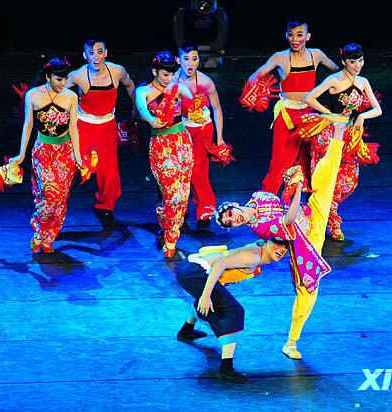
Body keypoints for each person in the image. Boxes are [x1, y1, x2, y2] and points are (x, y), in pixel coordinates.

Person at [216, 120, 347, 359]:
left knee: (324, 183)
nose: (235, 219)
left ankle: (339, 132)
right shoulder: (260, 228)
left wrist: (292, 181)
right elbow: (287, 220)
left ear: (234, 205)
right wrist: (298, 188)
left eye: (231, 214)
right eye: (231, 223)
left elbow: (283, 203)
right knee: (308, 292)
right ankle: (291, 343)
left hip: (311, 215)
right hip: (304, 243)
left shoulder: (259, 196)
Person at [175, 238, 290, 384]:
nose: (281, 249)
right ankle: (226, 369)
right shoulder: (254, 256)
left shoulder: (258, 248)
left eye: (285, 247)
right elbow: (220, 264)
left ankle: (186, 331)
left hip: (189, 270)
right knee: (235, 312)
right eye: (278, 243)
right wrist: (205, 294)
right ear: (267, 242)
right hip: (194, 273)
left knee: (213, 301)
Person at [247, 19, 339, 194]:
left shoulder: (316, 55)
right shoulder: (280, 57)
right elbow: (255, 77)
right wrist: (257, 91)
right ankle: (267, 199)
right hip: (287, 114)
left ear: (308, 36)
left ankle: (310, 199)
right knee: (280, 161)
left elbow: (337, 73)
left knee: (310, 158)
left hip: (309, 113)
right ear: (286, 35)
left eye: (299, 35)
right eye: (291, 35)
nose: (294, 39)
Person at [303, 43, 382, 241]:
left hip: (350, 136)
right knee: (325, 180)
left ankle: (324, 214)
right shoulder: (334, 80)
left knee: (348, 181)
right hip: (328, 137)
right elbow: (309, 97)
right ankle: (333, 223)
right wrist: (330, 114)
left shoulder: (363, 82)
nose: (358, 65)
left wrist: (362, 116)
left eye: (360, 60)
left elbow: (378, 109)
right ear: (344, 62)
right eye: (353, 62)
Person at [9, 57, 84, 252]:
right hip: (43, 151)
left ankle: (50, 237)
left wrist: (78, 156)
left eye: (65, 79)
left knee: (61, 199)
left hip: (65, 152)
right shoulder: (33, 95)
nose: (63, 83)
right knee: (49, 195)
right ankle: (39, 230)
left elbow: (73, 128)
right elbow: (28, 124)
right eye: (59, 79)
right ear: (48, 76)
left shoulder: (71, 97)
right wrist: (21, 154)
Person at [66, 37, 136, 219]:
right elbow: (56, 90)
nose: (96, 57)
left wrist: (137, 109)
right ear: (85, 55)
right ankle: (56, 199)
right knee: (72, 166)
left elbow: (130, 86)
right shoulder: (78, 75)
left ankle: (104, 204)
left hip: (107, 126)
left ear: (106, 53)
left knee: (109, 172)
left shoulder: (117, 71)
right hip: (83, 126)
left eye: (99, 52)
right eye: (91, 53)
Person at [135, 51, 194, 259]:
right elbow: (142, 109)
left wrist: (198, 109)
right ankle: (169, 230)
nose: (169, 78)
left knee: (183, 194)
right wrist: (149, 118)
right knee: (171, 194)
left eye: (172, 74)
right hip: (161, 146)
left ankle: (170, 233)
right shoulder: (144, 91)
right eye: (165, 74)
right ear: (155, 72)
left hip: (182, 143)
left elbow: (194, 103)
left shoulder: (178, 88)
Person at [176, 42, 227, 230]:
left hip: (203, 129)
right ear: (178, 60)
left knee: (198, 170)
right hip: (181, 128)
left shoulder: (206, 82)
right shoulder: (172, 81)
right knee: (180, 170)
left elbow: (217, 109)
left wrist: (219, 138)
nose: (190, 63)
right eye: (186, 59)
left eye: (194, 59)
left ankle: (205, 209)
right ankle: (179, 210)